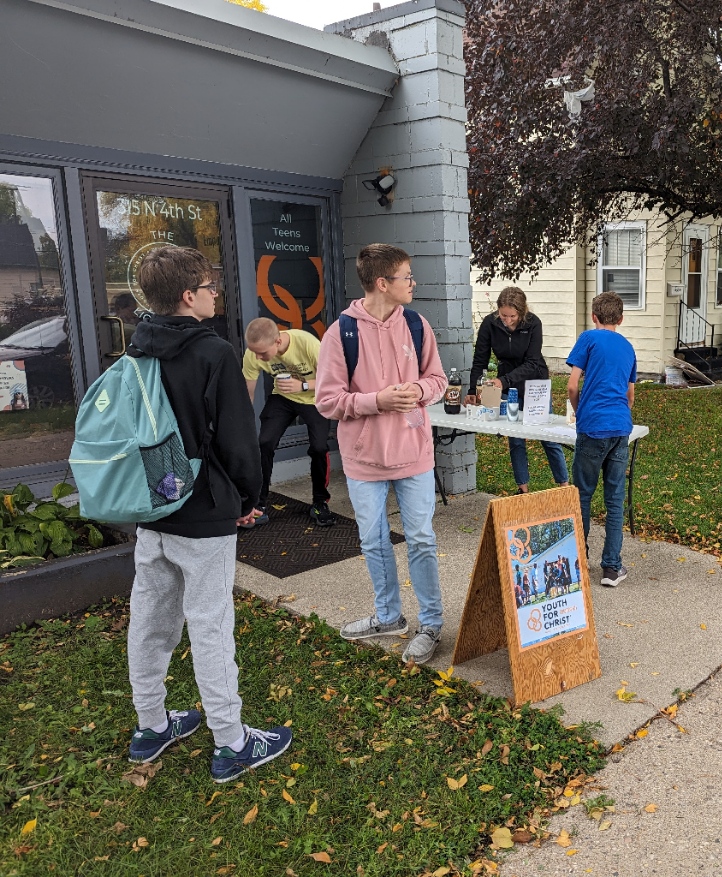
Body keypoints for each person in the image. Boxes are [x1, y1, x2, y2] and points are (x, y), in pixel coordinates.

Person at [123, 245, 291, 783]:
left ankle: (151, 726)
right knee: (211, 625)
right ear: (188, 296)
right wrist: (247, 500)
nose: (217, 292)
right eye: (209, 285)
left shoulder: (136, 349)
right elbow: (241, 444)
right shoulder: (213, 353)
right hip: (204, 514)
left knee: (149, 624)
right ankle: (232, 741)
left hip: (153, 508)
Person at [315, 243, 448, 665]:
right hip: (364, 460)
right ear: (381, 283)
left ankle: (431, 623)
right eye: (406, 277)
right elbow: (327, 400)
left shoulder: (416, 324)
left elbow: (438, 379)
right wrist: (378, 400)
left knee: (422, 539)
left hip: (413, 453)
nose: (413, 283)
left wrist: (420, 391)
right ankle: (389, 616)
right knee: (373, 541)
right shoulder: (341, 333)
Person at [467, 286, 569, 493]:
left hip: (535, 382)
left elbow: (532, 362)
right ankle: (522, 488)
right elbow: (480, 359)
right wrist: (472, 389)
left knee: (546, 435)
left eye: (512, 316)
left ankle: (564, 485)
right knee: (514, 435)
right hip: (508, 384)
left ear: (521, 312)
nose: (507, 320)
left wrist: (503, 381)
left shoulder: (533, 323)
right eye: (503, 316)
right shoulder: (490, 324)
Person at [567, 291, 637, 587]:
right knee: (615, 498)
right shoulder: (629, 348)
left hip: (592, 426)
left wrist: (579, 409)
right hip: (620, 428)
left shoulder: (588, 339)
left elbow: (572, 385)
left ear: (594, 316)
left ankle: (578, 562)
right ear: (620, 319)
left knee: (582, 494)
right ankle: (611, 567)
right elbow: (630, 396)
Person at [241, 318, 335, 527]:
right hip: (282, 398)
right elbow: (248, 390)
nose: (258, 357)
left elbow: (332, 380)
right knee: (264, 443)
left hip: (314, 398)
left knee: (319, 447)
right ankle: (259, 505)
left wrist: (302, 386)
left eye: (262, 353)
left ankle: (320, 502)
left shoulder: (307, 343)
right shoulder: (253, 353)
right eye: (254, 352)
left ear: (277, 341)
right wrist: (243, 424)